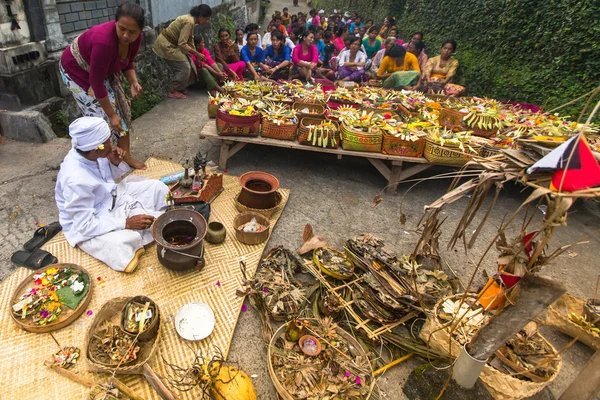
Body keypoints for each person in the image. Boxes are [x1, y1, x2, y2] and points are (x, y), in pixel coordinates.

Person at [55, 117, 169, 272]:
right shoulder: (75, 179)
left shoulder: (92, 152)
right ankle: (135, 230)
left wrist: (114, 162)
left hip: (112, 197)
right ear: (97, 148)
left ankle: (144, 220)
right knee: (123, 243)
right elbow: (85, 226)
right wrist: (126, 223)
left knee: (158, 188)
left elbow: (108, 181)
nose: (112, 143)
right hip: (92, 219)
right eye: (108, 141)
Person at [60, 2, 146, 170]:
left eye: (132, 32)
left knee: (121, 109)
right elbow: (96, 82)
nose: (126, 35)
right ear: (115, 23)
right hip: (76, 71)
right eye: (122, 28)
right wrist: (111, 114)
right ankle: (92, 163)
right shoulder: (104, 43)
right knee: (99, 119)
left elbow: (127, 63)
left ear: (140, 31)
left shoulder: (136, 39)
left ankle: (124, 155)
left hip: (100, 70)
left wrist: (133, 82)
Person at [153, 4, 212, 100]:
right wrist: (197, 53)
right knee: (185, 67)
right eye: (206, 19)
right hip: (166, 45)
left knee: (191, 64)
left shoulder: (191, 21)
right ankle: (173, 90)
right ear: (201, 17)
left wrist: (196, 56)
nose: (206, 21)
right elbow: (182, 43)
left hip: (173, 44)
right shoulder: (189, 22)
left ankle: (180, 87)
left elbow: (190, 40)